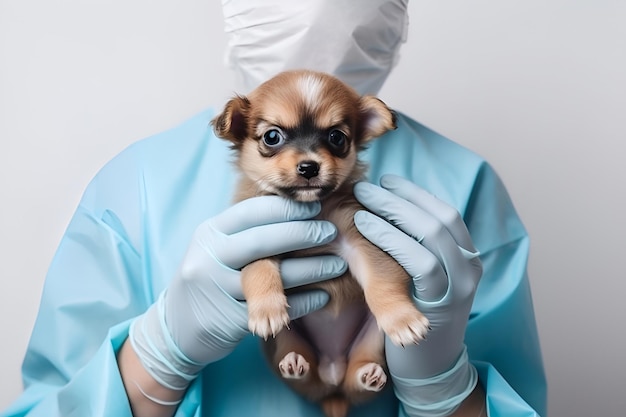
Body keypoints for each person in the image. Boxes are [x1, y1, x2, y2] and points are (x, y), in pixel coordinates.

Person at [2, 1, 546, 416]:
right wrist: (156, 356)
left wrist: (444, 390)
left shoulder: (466, 182)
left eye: (336, 138)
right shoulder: (136, 181)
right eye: (272, 138)